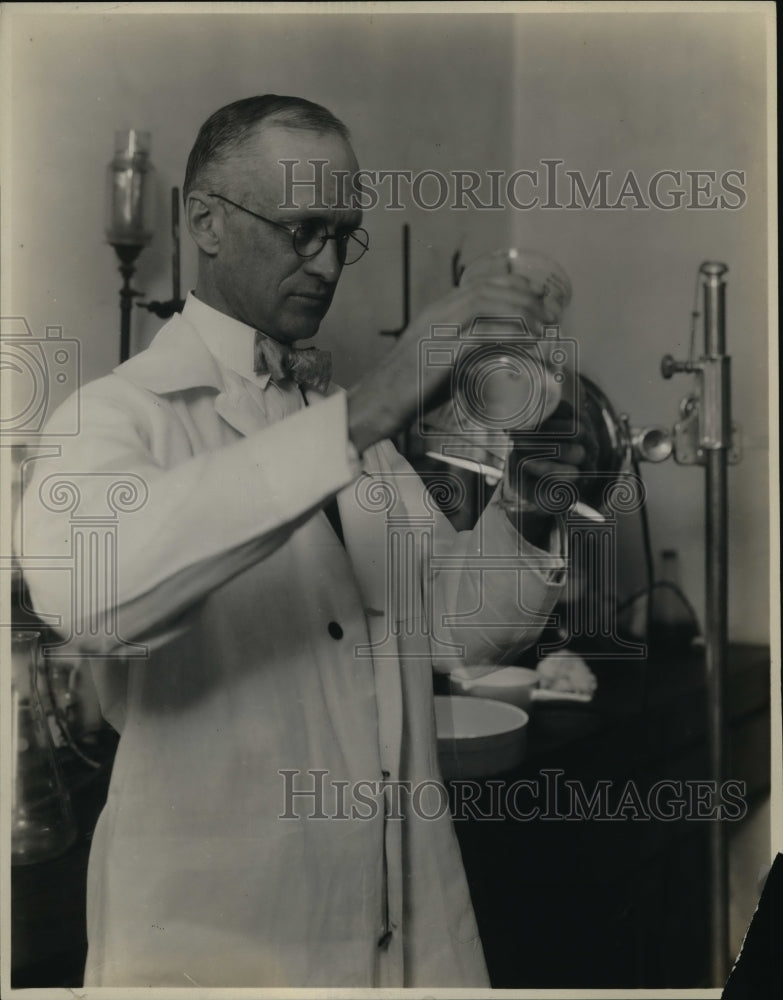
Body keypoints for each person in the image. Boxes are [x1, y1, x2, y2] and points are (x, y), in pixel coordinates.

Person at [19, 95, 585, 988]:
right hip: (220, 944)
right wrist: (371, 409)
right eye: (302, 229)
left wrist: (532, 498)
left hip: (403, 930)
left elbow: (457, 630)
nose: (326, 263)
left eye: (343, 233)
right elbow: (91, 598)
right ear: (204, 221)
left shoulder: (329, 423)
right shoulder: (113, 416)